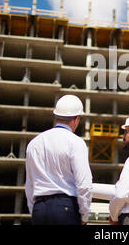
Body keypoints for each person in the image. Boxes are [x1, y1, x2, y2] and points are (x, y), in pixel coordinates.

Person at [25, 94, 92, 225]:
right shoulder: (76, 142)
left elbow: (30, 184)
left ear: (56, 116)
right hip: (65, 208)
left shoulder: (34, 143)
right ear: (77, 118)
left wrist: (34, 210)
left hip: (39, 210)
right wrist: (84, 215)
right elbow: (84, 184)